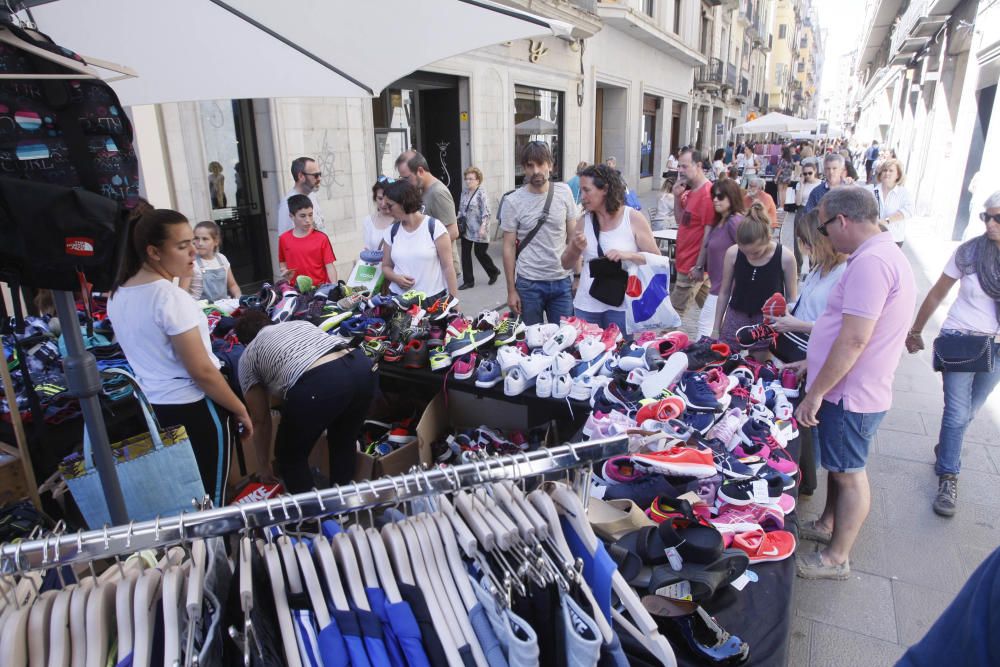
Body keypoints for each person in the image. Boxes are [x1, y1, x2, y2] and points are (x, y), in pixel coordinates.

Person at [792, 186, 916, 580]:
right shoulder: (881, 254)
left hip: (852, 392)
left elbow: (854, 338)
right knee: (839, 466)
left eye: (826, 228)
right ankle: (828, 524)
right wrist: (811, 364)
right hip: (853, 387)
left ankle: (836, 557)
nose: (825, 237)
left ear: (842, 220)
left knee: (849, 473)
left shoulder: (871, 263)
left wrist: (817, 392)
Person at [108, 209, 252, 507]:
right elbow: (202, 371)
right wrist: (240, 409)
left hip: (155, 407)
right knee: (210, 497)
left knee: (183, 498)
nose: (193, 252)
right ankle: (218, 552)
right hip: (194, 407)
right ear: (153, 251)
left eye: (193, 243)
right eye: (182, 245)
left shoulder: (119, 293)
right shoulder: (170, 298)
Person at [904, 191, 1000, 517]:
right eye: (986, 216)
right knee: (957, 414)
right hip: (962, 340)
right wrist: (916, 330)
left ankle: (947, 446)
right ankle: (948, 476)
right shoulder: (969, 252)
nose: (990, 224)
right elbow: (937, 292)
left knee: (968, 413)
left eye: (997, 218)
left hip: (997, 347)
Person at [235, 311, 377, 493]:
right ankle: (343, 509)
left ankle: (312, 518)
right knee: (343, 441)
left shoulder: (248, 356)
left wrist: (263, 467)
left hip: (320, 379)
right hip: (361, 366)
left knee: (289, 457)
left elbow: (260, 420)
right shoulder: (299, 324)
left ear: (244, 342)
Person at [768, 208, 848, 496]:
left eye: (805, 240)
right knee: (800, 420)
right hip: (800, 352)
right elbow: (807, 305)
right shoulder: (819, 267)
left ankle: (804, 481)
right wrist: (786, 312)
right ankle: (802, 479)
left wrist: (796, 323)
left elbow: (842, 329)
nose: (803, 247)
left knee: (808, 423)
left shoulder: (843, 273)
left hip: (813, 355)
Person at [560, 164, 660, 332]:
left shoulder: (633, 218)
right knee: (586, 353)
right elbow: (565, 263)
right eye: (581, 191)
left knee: (622, 354)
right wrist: (575, 249)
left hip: (623, 305)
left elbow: (657, 260)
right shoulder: (584, 221)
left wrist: (627, 256)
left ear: (605, 189)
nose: (582, 197)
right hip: (587, 305)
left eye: (587, 190)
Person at [500, 141, 577, 325]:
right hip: (528, 284)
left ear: (550, 164)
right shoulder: (512, 201)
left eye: (541, 164)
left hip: (561, 282)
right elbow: (508, 248)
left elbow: (573, 237)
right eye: (530, 165)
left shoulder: (564, 192)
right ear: (524, 168)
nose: (536, 171)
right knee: (530, 343)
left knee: (562, 342)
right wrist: (511, 290)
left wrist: (578, 277)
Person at [712, 202, 797, 359]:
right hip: (735, 317)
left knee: (759, 370)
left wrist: (783, 323)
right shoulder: (732, 253)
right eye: (745, 252)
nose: (750, 256)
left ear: (768, 238)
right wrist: (716, 328)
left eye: (756, 252)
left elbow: (793, 300)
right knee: (723, 366)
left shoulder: (785, 257)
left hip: (765, 324)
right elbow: (724, 293)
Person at [381, 179, 459, 297]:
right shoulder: (391, 231)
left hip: (431, 301)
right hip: (398, 300)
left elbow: (448, 267)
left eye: (390, 206)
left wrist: (454, 302)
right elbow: (386, 266)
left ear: (403, 202)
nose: (386, 210)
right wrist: (396, 278)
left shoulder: (434, 227)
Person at [395, 150, 460, 279]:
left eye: (407, 178)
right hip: (430, 268)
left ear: (420, 171)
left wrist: (420, 246)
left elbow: (453, 232)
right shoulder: (421, 190)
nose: (405, 182)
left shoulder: (438, 193)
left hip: (442, 270)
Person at [695, 178, 745, 338]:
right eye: (714, 196)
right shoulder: (721, 221)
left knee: (705, 329)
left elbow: (748, 253)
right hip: (717, 286)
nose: (715, 200)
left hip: (727, 289)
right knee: (712, 331)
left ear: (731, 197)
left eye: (720, 196)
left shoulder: (735, 221)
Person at [669, 148, 714, 318]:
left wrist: (699, 266)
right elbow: (681, 221)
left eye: (684, 166)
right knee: (712, 311)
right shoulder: (689, 192)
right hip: (687, 261)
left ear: (699, 166)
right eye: (679, 166)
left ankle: (664, 343)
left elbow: (708, 235)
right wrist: (676, 197)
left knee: (673, 316)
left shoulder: (708, 195)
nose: (680, 170)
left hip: (692, 266)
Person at [278, 194, 337, 286]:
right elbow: (282, 261)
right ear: (291, 216)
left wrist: (334, 286)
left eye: (310, 215)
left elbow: (330, 266)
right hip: (295, 290)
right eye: (302, 216)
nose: (308, 220)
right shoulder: (283, 239)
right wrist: (284, 271)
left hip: (319, 290)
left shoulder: (322, 238)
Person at [458, 166, 500, 289]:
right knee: (465, 254)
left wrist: (483, 227)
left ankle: (493, 271)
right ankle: (468, 281)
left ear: (478, 180)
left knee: (479, 253)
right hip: (467, 229)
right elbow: (461, 209)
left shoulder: (482, 193)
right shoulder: (464, 192)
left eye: (471, 179)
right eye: (466, 179)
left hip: (480, 229)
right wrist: (457, 219)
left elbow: (486, 212)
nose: (468, 181)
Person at [184, 220, 241, 302]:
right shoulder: (191, 262)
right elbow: (183, 293)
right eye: (196, 238)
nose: (200, 243)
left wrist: (238, 299)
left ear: (216, 241)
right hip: (202, 311)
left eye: (205, 239)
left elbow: (232, 285)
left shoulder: (222, 259)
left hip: (223, 308)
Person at [276, 157, 324, 235]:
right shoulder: (287, 204)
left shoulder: (312, 195)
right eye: (316, 175)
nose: (319, 178)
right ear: (301, 176)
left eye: (320, 174)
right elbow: (286, 240)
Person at [872, 158, 914, 247]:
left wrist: (885, 221)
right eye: (885, 170)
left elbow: (908, 212)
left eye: (891, 171)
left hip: (893, 239)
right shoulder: (872, 190)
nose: (887, 173)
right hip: (872, 237)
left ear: (898, 175)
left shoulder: (903, 193)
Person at [362, 178, 395, 252]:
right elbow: (367, 249)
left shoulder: (402, 220)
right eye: (380, 198)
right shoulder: (368, 221)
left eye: (387, 198)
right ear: (375, 198)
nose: (383, 203)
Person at [775, 146, 795, 212]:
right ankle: (782, 206)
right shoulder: (791, 160)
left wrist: (776, 177)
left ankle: (781, 206)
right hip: (788, 177)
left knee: (780, 191)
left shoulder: (782, 160)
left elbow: (780, 169)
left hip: (781, 177)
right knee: (784, 192)